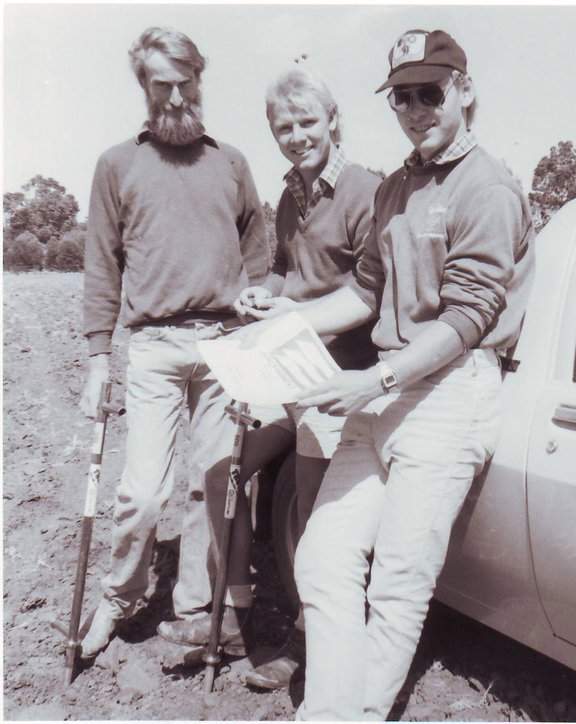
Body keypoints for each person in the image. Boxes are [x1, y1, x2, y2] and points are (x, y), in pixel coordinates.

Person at [239, 28, 535, 719]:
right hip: (385, 392)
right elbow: (365, 292)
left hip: (446, 392)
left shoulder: (486, 187)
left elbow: (466, 321)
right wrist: (276, 327)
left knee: (396, 585)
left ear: (464, 92)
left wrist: (373, 381)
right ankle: (334, 708)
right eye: (401, 97)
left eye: (428, 93)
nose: (413, 110)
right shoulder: (398, 186)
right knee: (319, 561)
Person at [156, 67, 381, 691]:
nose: (297, 136)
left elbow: (370, 293)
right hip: (287, 367)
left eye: (308, 122)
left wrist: (292, 313)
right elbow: (284, 270)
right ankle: (233, 615)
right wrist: (264, 295)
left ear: (333, 119)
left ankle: (308, 639)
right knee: (219, 468)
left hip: (338, 379)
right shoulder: (288, 195)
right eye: (284, 127)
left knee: (311, 513)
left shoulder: (367, 192)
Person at [78, 26, 270, 658]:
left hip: (223, 347)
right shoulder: (117, 165)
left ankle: (195, 607)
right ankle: (117, 600)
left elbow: (259, 257)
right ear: (145, 88)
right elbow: (102, 266)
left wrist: (259, 313)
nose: (177, 95)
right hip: (154, 350)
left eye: (187, 82)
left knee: (213, 487)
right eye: (163, 84)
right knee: (143, 492)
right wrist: (98, 358)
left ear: (200, 79)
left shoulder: (232, 162)